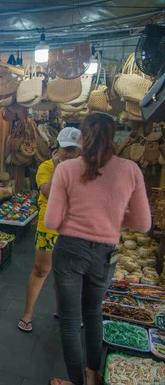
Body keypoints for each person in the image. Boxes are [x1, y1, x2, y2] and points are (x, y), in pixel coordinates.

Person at [45, 113, 151, 385]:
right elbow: (142, 223)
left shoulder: (66, 169)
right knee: (93, 314)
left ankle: (75, 381)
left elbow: (51, 221)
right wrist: (112, 218)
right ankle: (93, 375)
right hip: (106, 254)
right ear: (114, 136)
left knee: (69, 322)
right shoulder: (130, 170)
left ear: (83, 136)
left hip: (69, 250)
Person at [18, 127, 82, 333]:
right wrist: (57, 169)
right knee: (41, 269)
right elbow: (47, 191)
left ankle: (61, 309)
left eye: (74, 149)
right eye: (66, 149)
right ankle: (28, 313)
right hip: (49, 227)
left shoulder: (85, 169)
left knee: (68, 273)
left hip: (75, 227)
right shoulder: (46, 167)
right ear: (58, 149)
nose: (70, 153)